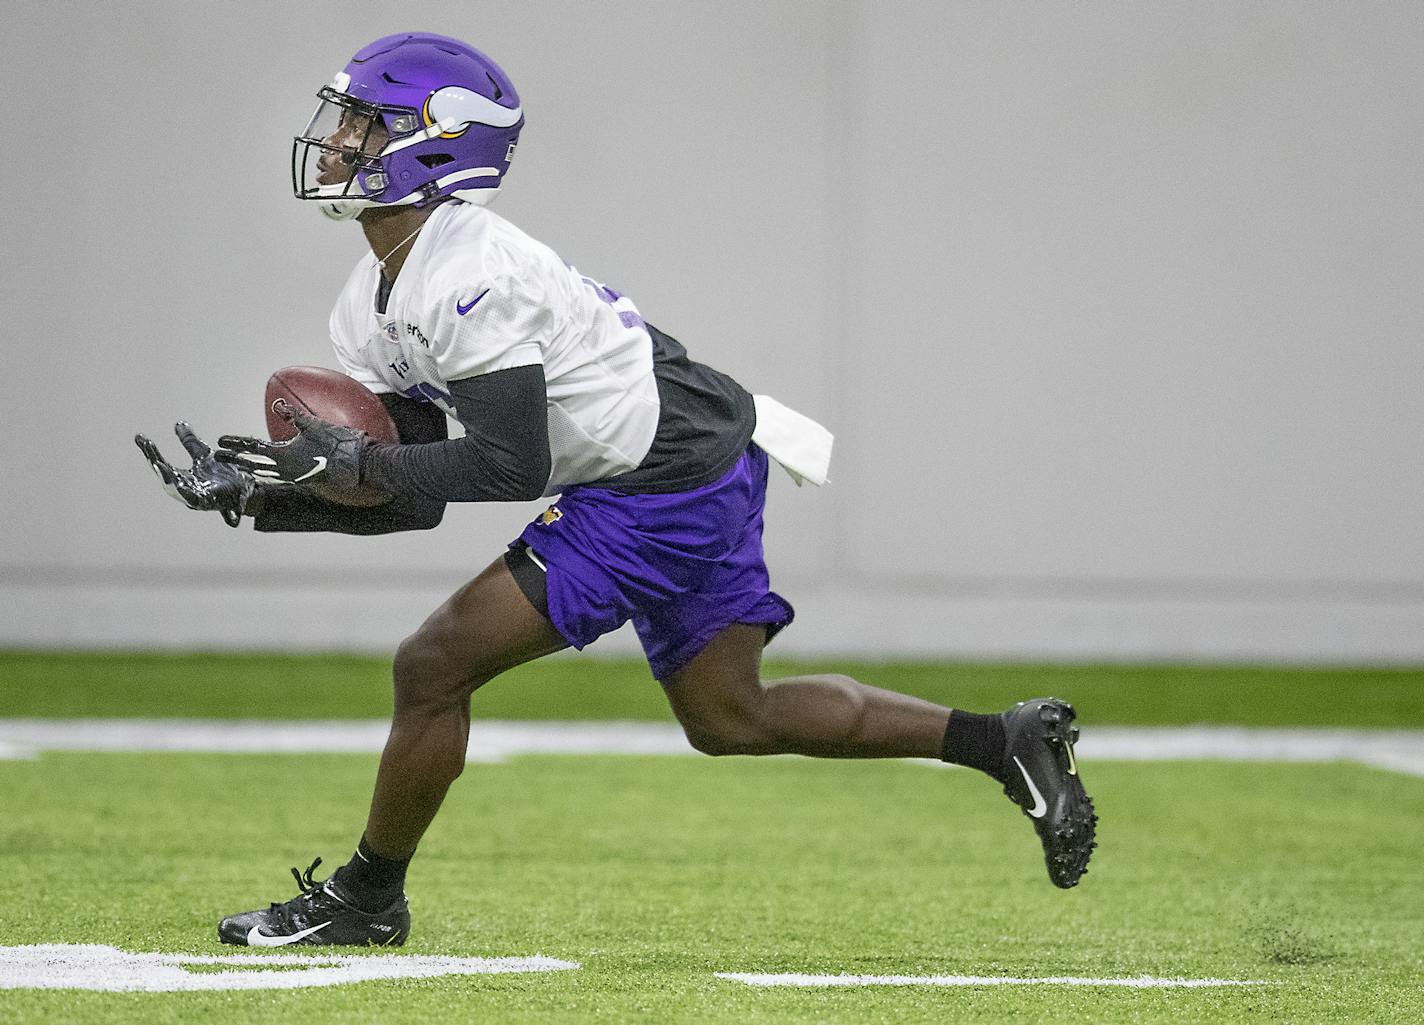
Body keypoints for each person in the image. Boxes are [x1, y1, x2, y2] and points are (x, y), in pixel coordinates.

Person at [135, 32, 1095, 947]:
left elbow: (503, 467)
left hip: (656, 477)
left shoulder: (471, 270)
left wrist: (348, 464)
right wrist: (271, 496)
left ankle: (366, 898)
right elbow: (416, 492)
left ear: (436, 142)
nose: (340, 139)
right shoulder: (374, 296)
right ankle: (998, 740)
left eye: (364, 122)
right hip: (691, 446)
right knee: (731, 715)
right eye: (344, 118)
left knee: (432, 666)